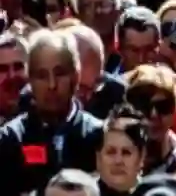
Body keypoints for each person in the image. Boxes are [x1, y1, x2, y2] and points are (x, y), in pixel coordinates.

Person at [0, 29, 103, 194]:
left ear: (75, 77)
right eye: (41, 76)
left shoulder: (98, 135)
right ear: (30, 81)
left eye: (60, 73)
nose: (52, 85)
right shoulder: (10, 139)